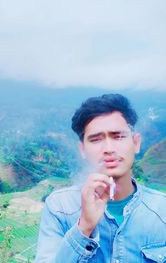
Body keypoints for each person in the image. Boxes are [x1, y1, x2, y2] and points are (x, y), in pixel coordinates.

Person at [35, 94, 166, 262]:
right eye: (96, 139)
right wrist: (84, 226)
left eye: (118, 136)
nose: (109, 148)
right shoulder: (60, 207)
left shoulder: (162, 211)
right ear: (82, 149)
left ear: (136, 143)